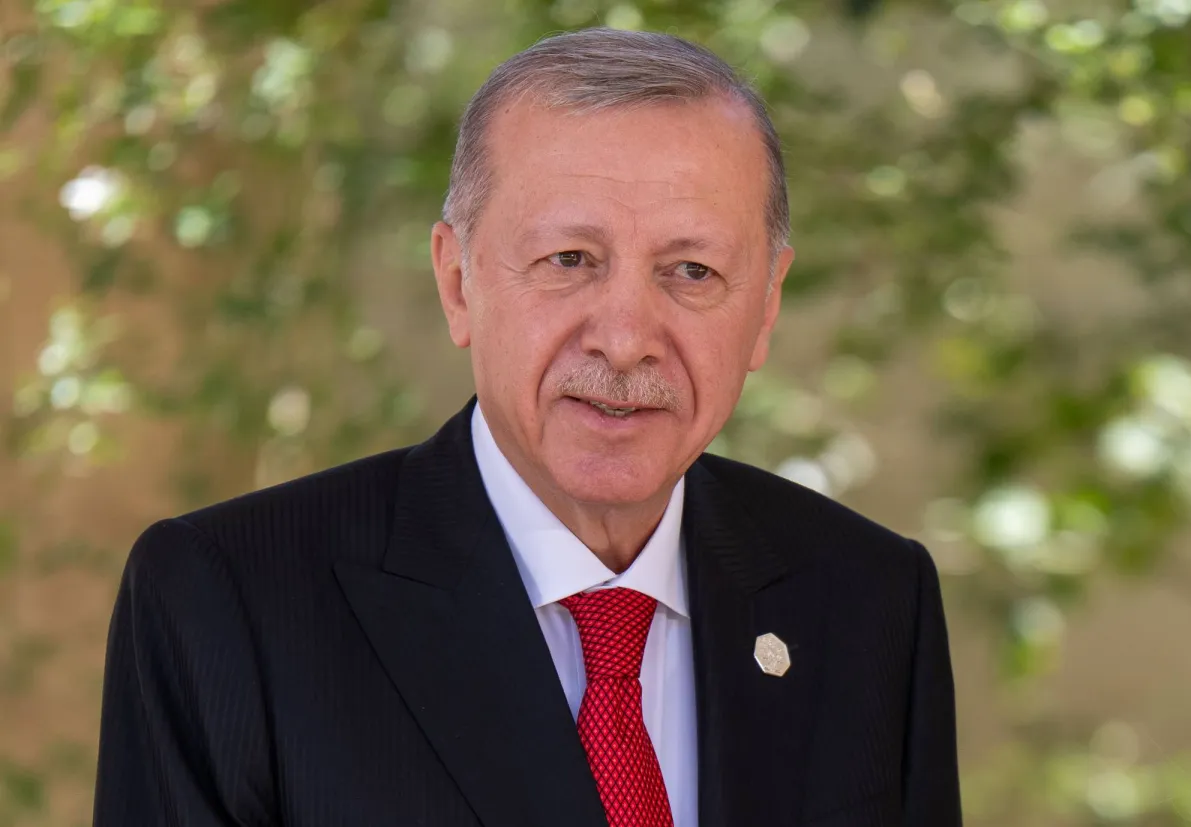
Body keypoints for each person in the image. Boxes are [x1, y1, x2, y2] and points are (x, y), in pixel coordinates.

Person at [93, 28, 961, 827]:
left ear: (765, 306)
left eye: (692, 270)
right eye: (569, 260)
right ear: (457, 282)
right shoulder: (231, 603)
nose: (625, 337)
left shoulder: (869, 601)